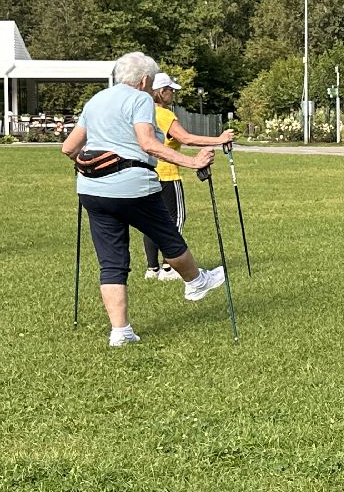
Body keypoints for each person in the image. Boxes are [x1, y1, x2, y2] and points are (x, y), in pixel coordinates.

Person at [62, 51, 227, 347]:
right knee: (168, 237)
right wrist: (193, 162)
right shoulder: (140, 100)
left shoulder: (96, 100)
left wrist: (87, 162)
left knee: (111, 261)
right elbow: (148, 143)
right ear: (145, 80)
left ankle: (120, 331)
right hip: (133, 186)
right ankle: (196, 283)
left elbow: (69, 147)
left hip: (92, 190)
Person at [142, 71, 235, 280]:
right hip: (167, 173)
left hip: (147, 174)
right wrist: (219, 139)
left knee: (149, 219)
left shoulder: (142, 112)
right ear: (162, 92)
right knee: (176, 218)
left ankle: (152, 268)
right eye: (171, 91)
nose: (172, 95)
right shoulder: (164, 114)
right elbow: (186, 139)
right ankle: (169, 266)